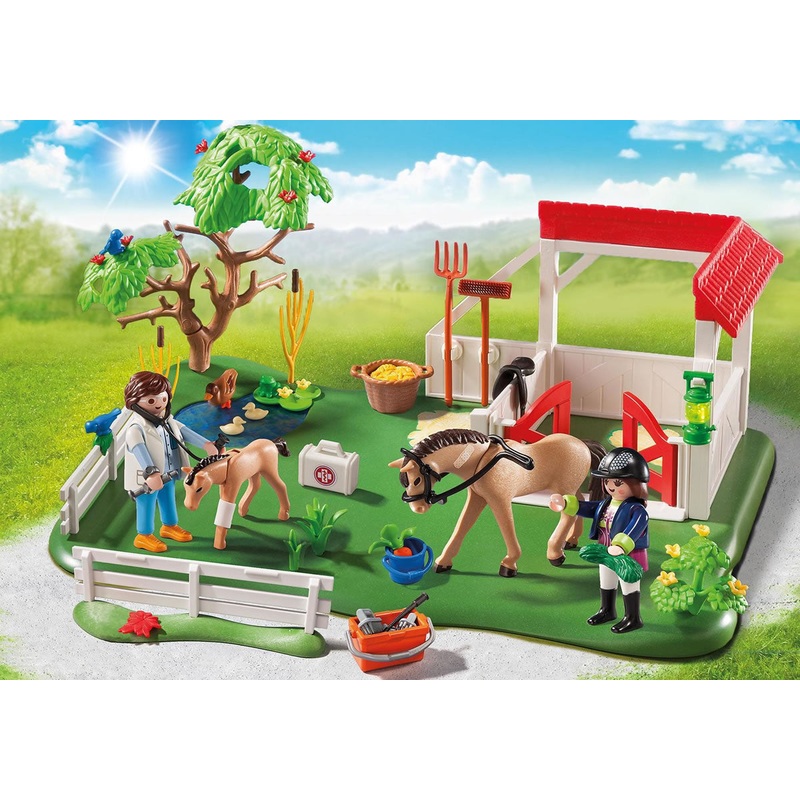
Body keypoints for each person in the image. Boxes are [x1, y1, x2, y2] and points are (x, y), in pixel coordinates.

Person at [549, 447, 650, 634]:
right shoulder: (606, 503)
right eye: (607, 481)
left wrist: (621, 545)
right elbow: (588, 508)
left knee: (627, 582)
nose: (611, 487)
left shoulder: (637, 509)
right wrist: (566, 503)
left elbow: (636, 527)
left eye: (618, 483)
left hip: (627, 554)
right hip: (605, 549)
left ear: (635, 484)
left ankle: (633, 617)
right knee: (606, 580)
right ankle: (607, 610)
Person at [123, 371, 219, 553]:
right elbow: (139, 450)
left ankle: (169, 526)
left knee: (168, 498)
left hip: (169, 471)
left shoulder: (167, 420)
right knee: (147, 503)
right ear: (135, 402)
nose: (159, 404)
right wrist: (151, 473)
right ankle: (143, 535)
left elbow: (184, 432)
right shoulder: (136, 429)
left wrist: (206, 444)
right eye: (151, 401)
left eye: (163, 398)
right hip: (147, 478)